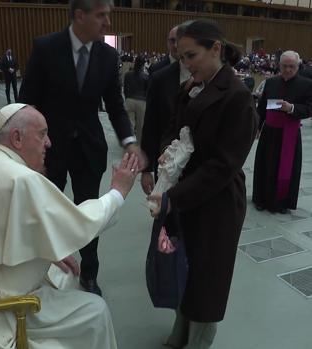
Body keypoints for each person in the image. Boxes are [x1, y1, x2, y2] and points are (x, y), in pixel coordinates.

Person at [0, 103, 139, 349]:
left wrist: (49, 252)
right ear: (17, 138)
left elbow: (0, 229)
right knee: (95, 311)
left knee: (63, 275)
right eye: (42, 134)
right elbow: (79, 223)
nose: (49, 142)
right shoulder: (20, 178)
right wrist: (117, 193)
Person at [19, 0, 145, 296]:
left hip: (89, 148)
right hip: (49, 148)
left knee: (89, 212)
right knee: (45, 209)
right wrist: (26, 146)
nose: (108, 22)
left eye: (108, 15)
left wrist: (129, 141)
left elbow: (115, 104)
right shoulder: (46, 48)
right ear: (79, 15)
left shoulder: (108, 55)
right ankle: (43, 266)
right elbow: (27, 101)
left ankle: (89, 273)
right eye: (101, 15)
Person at [148, 20, 257, 348]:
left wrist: (171, 197)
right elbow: (171, 128)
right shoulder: (188, 89)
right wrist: (167, 155)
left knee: (208, 277)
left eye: (191, 55)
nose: (186, 63)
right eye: (182, 57)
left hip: (216, 203)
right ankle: (180, 330)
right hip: (186, 197)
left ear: (216, 49)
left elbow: (223, 166)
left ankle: (198, 341)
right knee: (182, 266)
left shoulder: (237, 97)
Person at [252, 50, 312, 213]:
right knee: (266, 165)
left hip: (290, 134)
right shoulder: (271, 82)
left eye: (291, 66)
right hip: (270, 132)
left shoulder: (306, 84)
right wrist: (257, 126)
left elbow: (309, 108)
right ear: (279, 65)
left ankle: (281, 202)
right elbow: (262, 106)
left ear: (298, 66)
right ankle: (261, 199)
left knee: (286, 168)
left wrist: (291, 108)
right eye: (284, 66)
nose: (287, 70)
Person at [140, 24, 190, 195]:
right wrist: (146, 169)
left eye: (180, 41)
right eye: (172, 41)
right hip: (165, 155)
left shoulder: (209, 75)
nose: (176, 45)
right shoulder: (158, 75)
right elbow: (150, 124)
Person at [123, 54, 148, 142]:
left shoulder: (127, 75)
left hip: (129, 100)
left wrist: (126, 99)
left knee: (130, 125)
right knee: (140, 126)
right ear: (143, 64)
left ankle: (129, 143)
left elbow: (125, 89)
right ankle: (139, 145)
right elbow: (147, 92)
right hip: (142, 102)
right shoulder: (146, 76)